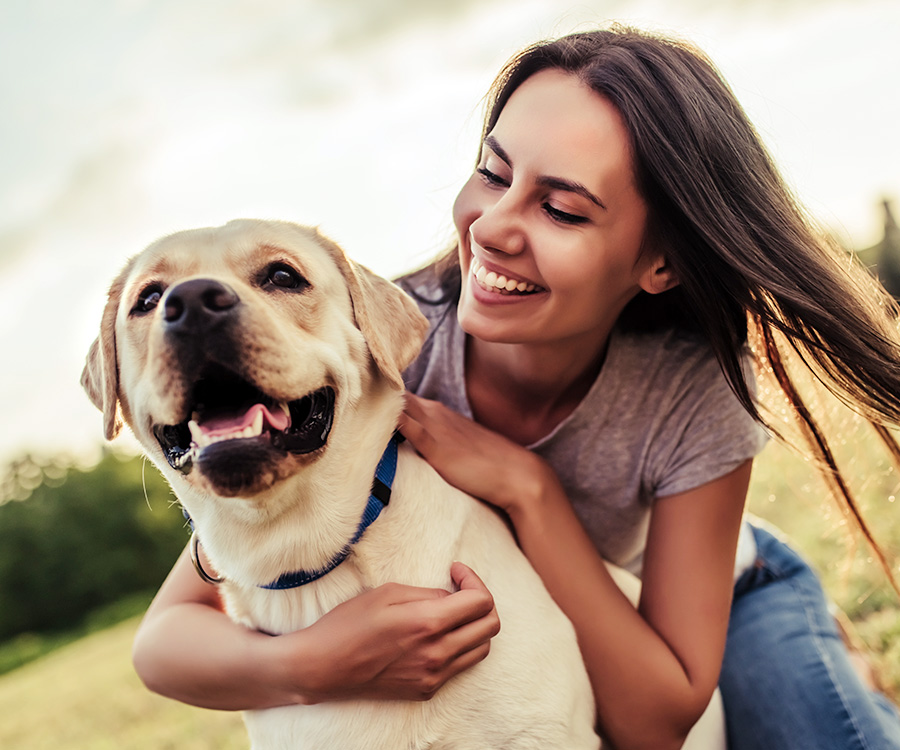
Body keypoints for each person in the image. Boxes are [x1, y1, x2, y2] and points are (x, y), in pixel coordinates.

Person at [132, 25, 900, 750]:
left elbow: (654, 721)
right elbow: (167, 637)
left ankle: (833, 657)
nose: (494, 226)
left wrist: (530, 489)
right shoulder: (376, 352)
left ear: (659, 262)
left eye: (561, 207)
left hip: (724, 604)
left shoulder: (688, 392)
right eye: (493, 173)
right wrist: (311, 665)